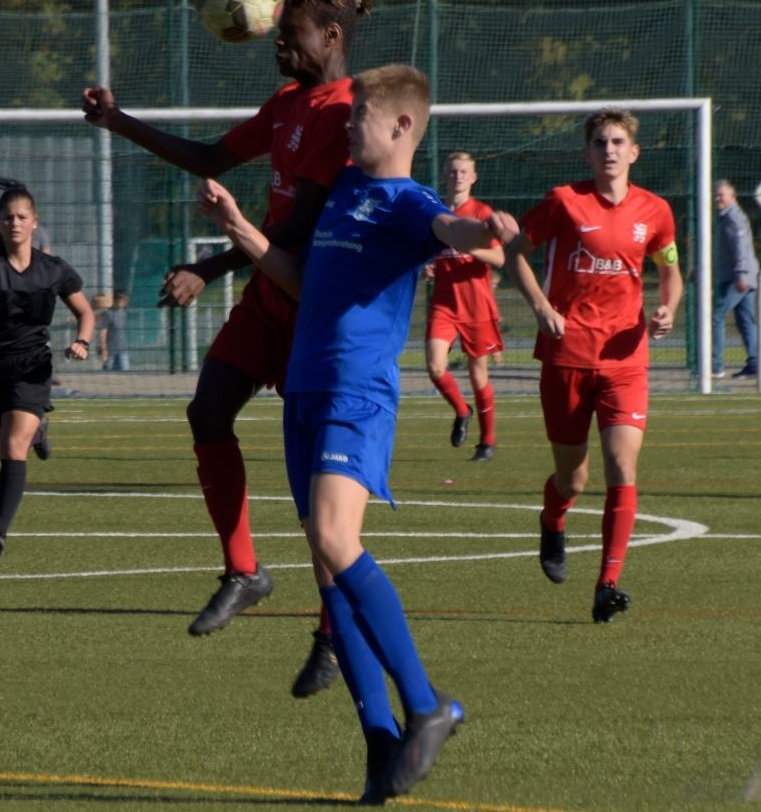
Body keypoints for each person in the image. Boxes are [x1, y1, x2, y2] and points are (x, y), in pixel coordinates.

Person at [197, 64, 520, 803]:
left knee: (339, 542)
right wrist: (239, 229)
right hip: (304, 389)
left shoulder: (410, 203)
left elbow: (451, 230)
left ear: (402, 125)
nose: (345, 127)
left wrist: (484, 230)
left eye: (358, 117)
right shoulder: (343, 189)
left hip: (356, 393)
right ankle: (379, 745)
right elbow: (301, 281)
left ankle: (428, 704)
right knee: (323, 562)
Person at [82, 0, 373, 697]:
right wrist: (121, 123)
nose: (276, 43)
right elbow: (213, 158)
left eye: (290, 33)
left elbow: (300, 224)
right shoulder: (285, 103)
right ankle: (244, 571)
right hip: (266, 293)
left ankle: (333, 637)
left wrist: (210, 265)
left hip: (312, 301)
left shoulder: (346, 112)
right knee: (206, 411)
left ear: (330, 38)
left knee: (318, 498)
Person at [503, 108, 683, 624]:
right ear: (588, 153)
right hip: (567, 356)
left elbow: (670, 272)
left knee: (622, 465)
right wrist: (540, 306)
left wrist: (668, 307)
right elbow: (517, 253)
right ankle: (553, 519)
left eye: (618, 141)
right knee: (573, 478)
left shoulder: (656, 211)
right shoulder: (564, 201)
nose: (609, 149)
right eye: (600, 142)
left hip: (625, 359)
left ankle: (608, 583)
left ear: (634, 151)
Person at [0, 179, 95, 558]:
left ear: (34, 222)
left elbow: (85, 312)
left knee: (13, 448)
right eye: (8, 217)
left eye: (21, 217)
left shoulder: (53, 269)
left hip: (32, 367)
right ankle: (39, 433)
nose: (14, 223)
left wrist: (82, 341)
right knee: (5, 449)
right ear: (0, 224)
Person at [424, 151, 506, 462]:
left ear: (473, 177)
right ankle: (462, 410)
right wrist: (426, 265)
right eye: (453, 170)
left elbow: (499, 258)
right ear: (445, 175)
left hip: (475, 305)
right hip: (444, 303)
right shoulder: (436, 212)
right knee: (434, 366)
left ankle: (487, 441)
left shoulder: (482, 213)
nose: (457, 176)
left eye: (464, 171)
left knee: (478, 375)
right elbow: (427, 251)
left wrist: (467, 247)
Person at [712, 179, 759, 379]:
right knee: (745, 321)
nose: (718, 198)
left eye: (722, 194)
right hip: (743, 276)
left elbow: (741, 248)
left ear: (733, 196)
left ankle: (715, 365)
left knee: (715, 317)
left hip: (737, 278)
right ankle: (755, 364)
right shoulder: (726, 217)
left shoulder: (733, 218)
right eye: (716, 194)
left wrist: (740, 275)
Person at [98, 289, 131, 370]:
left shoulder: (124, 314)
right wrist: (104, 349)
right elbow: (103, 332)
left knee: (125, 369)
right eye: (120, 300)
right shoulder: (109, 314)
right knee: (108, 370)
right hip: (110, 349)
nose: (122, 303)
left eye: (124, 301)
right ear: (115, 300)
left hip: (122, 348)